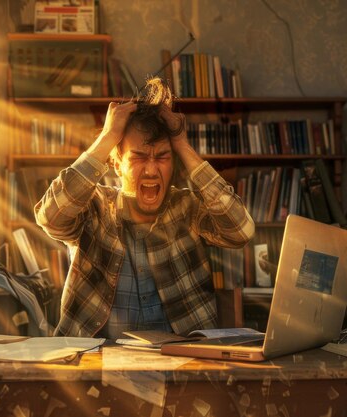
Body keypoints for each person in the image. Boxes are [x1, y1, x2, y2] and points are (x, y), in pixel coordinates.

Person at [35, 77, 255, 338]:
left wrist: (182, 145)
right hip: (96, 366)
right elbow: (50, 217)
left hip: (181, 365)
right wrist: (108, 137)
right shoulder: (93, 207)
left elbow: (241, 231)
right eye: (138, 157)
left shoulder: (187, 207)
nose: (151, 169)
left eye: (162, 157)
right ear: (117, 165)